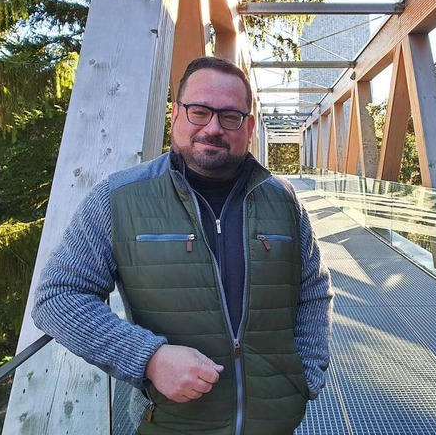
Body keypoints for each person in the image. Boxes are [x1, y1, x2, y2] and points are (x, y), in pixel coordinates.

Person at [32, 56, 333, 434]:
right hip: (171, 421)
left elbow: (313, 288)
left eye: (230, 116)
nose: (213, 127)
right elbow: (57, 297)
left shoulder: (284, 200)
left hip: (275, 421)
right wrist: (150, 359)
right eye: (199, 111)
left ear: (249, 126)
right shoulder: (118, 198)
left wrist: (305, 374)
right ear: (175, 114)